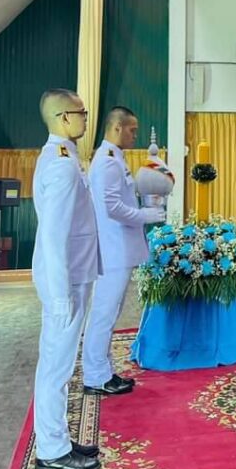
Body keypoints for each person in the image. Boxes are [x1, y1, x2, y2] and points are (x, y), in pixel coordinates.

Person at [31, 89, 102, 469]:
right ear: (63, 118)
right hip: (67, 279)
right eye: (81, 113)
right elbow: (53, 235)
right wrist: (59, 295)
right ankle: (52, 450)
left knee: (59, 364)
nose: (85, 118)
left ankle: (56, 439)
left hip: (74, 273)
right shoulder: (61, 164)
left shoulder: (65, 156)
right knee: (57, 367)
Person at [82, 106, 164, 396]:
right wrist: (145, 215)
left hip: (119, 248)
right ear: (117, 128)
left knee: (110, 312)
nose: (134, 135)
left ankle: (103, 371)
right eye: (132, 130)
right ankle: (95, 376)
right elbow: (112, 207)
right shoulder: (108, 162)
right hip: (113, 249)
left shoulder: (115, 157)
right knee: (103, 314)